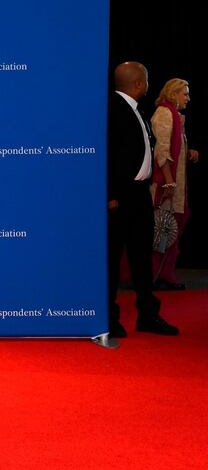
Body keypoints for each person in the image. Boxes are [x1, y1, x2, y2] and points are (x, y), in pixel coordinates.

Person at [107, 61, 178, 339]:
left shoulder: (138, 111)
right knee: (112, 260)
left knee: (141, 258)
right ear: (138, 84)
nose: (148, 85)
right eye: (146, 80)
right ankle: (110, 318)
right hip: (119, 198)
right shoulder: (113, 109)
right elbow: (106, 155)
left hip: (139, 196)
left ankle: (148, 314)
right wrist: (110, 195)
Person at [149, 78, 199, 290]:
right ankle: (155, 275)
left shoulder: (175, 115)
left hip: (176, 185)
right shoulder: (164, 113)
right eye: (185, 93)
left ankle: (164, 274)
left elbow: (175, 149)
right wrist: (169, 182)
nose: (188, 98)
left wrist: (189, 152)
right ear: (173, 94)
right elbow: (162, 151)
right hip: (167, 185)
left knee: (170, 228)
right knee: (163, 228)